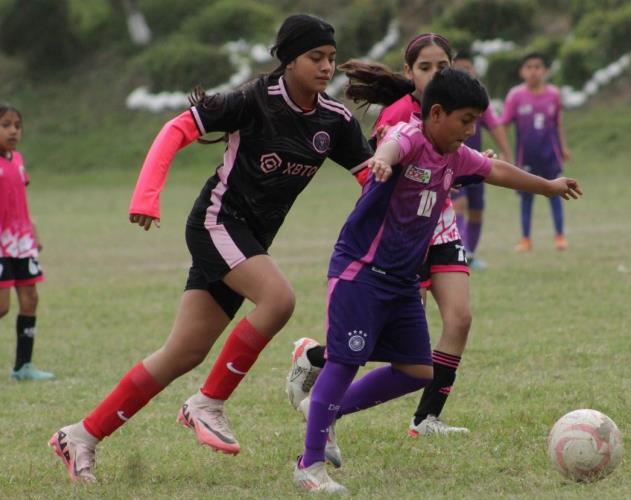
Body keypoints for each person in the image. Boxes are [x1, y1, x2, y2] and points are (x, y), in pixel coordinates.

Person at [48, 14, 388, 483]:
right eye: (315, 57)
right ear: (288, 60)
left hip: (249, 240)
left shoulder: (335, 121)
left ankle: (79, 436)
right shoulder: (252, 100)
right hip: (216, 223)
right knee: (279, 299)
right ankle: (206, 403)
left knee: (181, 352)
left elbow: (372, 179)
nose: (327, 67)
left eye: (331, 58)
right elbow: (176, 130)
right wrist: (146, 195)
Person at [293, 68, 582, 493]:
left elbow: (497, 172)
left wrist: (549, 187)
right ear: (437, 114)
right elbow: (394, 144)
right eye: (465, 120)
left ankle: (325, 409)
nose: (470, 130)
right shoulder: (411, 136)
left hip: (403, 280)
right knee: (344, 362)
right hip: (361, 271)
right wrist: (382, 159)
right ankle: (309, 465)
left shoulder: (455, 154)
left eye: (475, 122)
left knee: (417, 369)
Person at [287, 33, 484, 447]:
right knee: (385, 337)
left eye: (442, 67)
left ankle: (426, 417)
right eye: (425, 67)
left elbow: (461, 163)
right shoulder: (400, 116)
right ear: (409, 72)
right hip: (400, 234)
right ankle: (317, 364)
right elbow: (387, 166)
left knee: (459, 319)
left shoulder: (459, 106)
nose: (434, 74)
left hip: (441, 224)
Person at [0, 104, 54, 382]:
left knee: (30, 299)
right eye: (6, 125)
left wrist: (33, 232)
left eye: (17, 126)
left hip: (22, 242)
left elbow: (19, 200)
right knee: (2, 307)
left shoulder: (17, 160)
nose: (13, 131)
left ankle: (24, 367)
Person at [500, 52, 572, 251]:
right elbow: (503, 124)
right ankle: (526, 240)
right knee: (526, 197)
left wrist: (564, 147)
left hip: (550, 156)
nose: (534, 71)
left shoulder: (554, 94)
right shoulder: (515, 96)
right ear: (522, 71)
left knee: (557, 193)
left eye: (538, 67)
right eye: (529, 67)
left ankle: (560, 237)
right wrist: (506, 152)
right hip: (526, 158)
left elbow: (558, 124)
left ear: (545, 71)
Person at [451, 52, 511, 269]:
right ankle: (458, 253)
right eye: (460, 68)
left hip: (478, 164)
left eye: (469, 68)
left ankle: (471, 254)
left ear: (474, 70)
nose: (465, 72)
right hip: (454, 164)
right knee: (459, 205)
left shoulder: (479, 99)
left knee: (476, 210)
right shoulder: (448, 99)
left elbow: (494, 125)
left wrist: (506, 152)